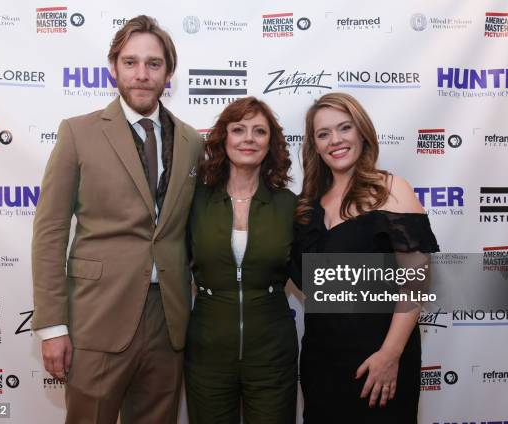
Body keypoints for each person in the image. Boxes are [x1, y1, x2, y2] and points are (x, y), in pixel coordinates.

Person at [31, 15, 202, 424]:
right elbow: (50, 231)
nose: (142, 74)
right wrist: (52, 326)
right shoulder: (78, 133)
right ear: (113, 68)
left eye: (154, 64)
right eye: (130, 62)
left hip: (169, 319)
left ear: (169, 73)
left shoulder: (192, 140)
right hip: (97, 317)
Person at [290, 92, 439, 423]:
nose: (336, 140)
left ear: (362, 132)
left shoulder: (392, 190)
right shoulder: (306, 206)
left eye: (345, 128)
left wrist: (390, 354)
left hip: (379, 358)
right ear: (314, 145)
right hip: (321, 361)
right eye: (323, 133)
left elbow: (417, 283)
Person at [185, 97, 298, 423]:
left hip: (272, 355)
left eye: (259, 131)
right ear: (223, 138)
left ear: (270, 144)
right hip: (206, 352)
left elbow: (313, 276)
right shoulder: (196, 200)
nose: (248, 138)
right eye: (239, 129)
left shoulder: (290, 205)